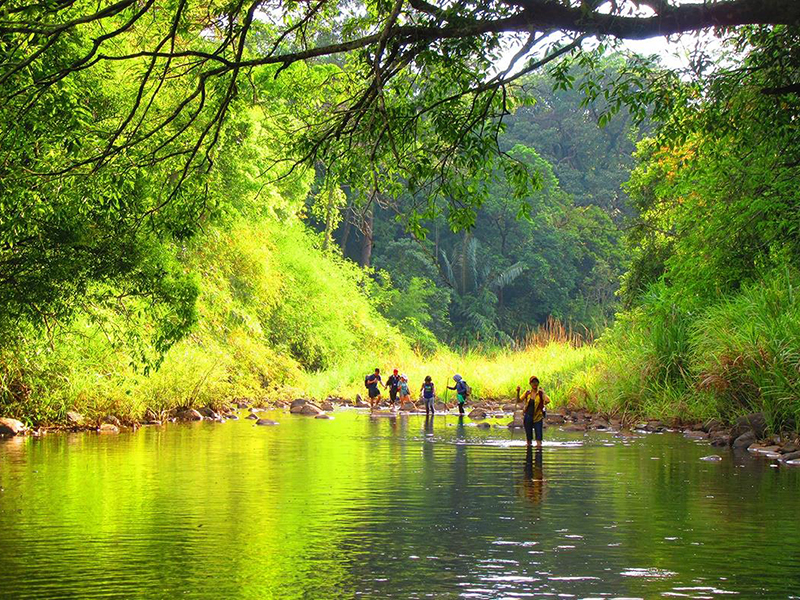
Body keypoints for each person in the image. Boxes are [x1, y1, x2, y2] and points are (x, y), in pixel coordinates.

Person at [516, 376, 551, 446]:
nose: (535, 383)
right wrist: (518, 392)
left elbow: (547, 401)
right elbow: (518, 400)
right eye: (533, 382)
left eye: (536, 382)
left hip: (538, 417)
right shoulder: (527, 393)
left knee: (539, 439)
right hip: (528, 417)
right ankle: (528, 455)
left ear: (538, 383)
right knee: (528, 440)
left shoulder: (541, 393)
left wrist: (543, 393)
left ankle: (538, 454)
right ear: (530, 384)